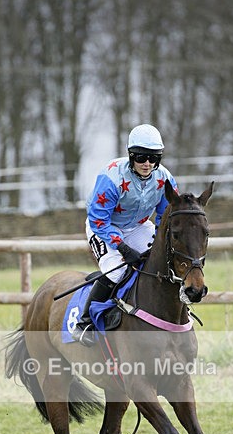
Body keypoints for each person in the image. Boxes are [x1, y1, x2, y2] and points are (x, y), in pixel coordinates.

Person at [71, 123, 178, 346]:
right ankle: (85, 322)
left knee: (160, 262)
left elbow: (165, 216)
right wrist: (122, 247)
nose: (147, 163)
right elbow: (98, 220)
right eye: (141, 157)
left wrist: (160, 241)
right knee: (116, 273)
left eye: (153, 157)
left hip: (139, 226)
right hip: (103, 227)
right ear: (131, 155)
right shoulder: (111, 177)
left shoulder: (165, 178)